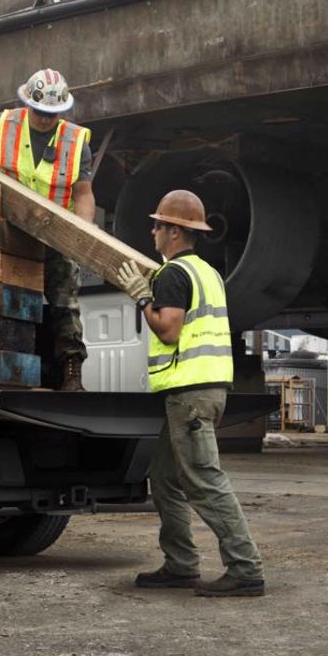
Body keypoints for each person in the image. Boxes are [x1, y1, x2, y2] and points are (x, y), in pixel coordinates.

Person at [116, 190, 266, 598]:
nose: (153, 231)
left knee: (203, 480)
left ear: (175, 232)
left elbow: (168, 329)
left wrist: (142, 297)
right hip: (201, 391)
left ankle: (245, 568)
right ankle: (180, 565)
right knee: (164, 476)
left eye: (158, 225)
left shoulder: (174, 275)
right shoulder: (208, 273)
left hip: (191, 394)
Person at [0, 68, 93, 391]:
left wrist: (82, 234)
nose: (45, 120)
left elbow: (83, 194)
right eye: (39, 113)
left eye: (52, 114)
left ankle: (71, 370)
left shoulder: (76, 142)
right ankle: (7, 367)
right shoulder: (3, 125)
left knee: (65, 300)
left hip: (54, 236)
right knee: (8, 299)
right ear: (27, 104)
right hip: (9, 230)